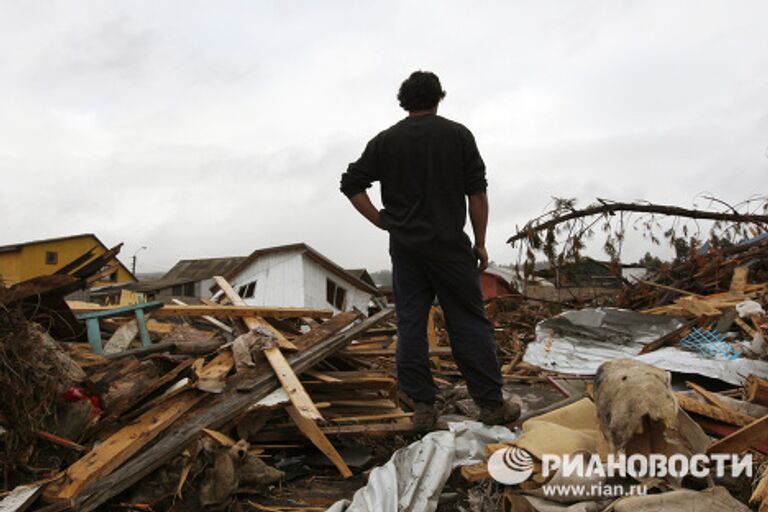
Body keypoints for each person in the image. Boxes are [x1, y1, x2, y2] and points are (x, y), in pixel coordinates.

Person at [339, 70, 520, 430]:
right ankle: (490, 405)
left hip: (406, 251)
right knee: (468, 323)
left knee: (410, 325)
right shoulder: (457, 135)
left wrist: (381, 220)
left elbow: (351, 183)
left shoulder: (385, 141)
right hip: (450, 249)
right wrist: (480, 241)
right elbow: (477, 194)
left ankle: (422, 407)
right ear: (439, 97)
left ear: (405, 101)